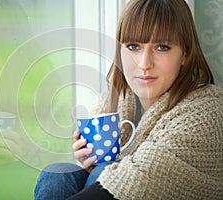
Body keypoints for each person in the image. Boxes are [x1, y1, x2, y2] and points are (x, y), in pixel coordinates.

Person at [34, 0, 223, 199]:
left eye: (162, 47)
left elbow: (136, 182)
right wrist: (90, 162)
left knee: (103, 173)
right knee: (57, 175)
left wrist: (101, 172)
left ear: (184, 53)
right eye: (133, 46)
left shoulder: (207, 113)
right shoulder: (112, 104)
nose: (144, 64)